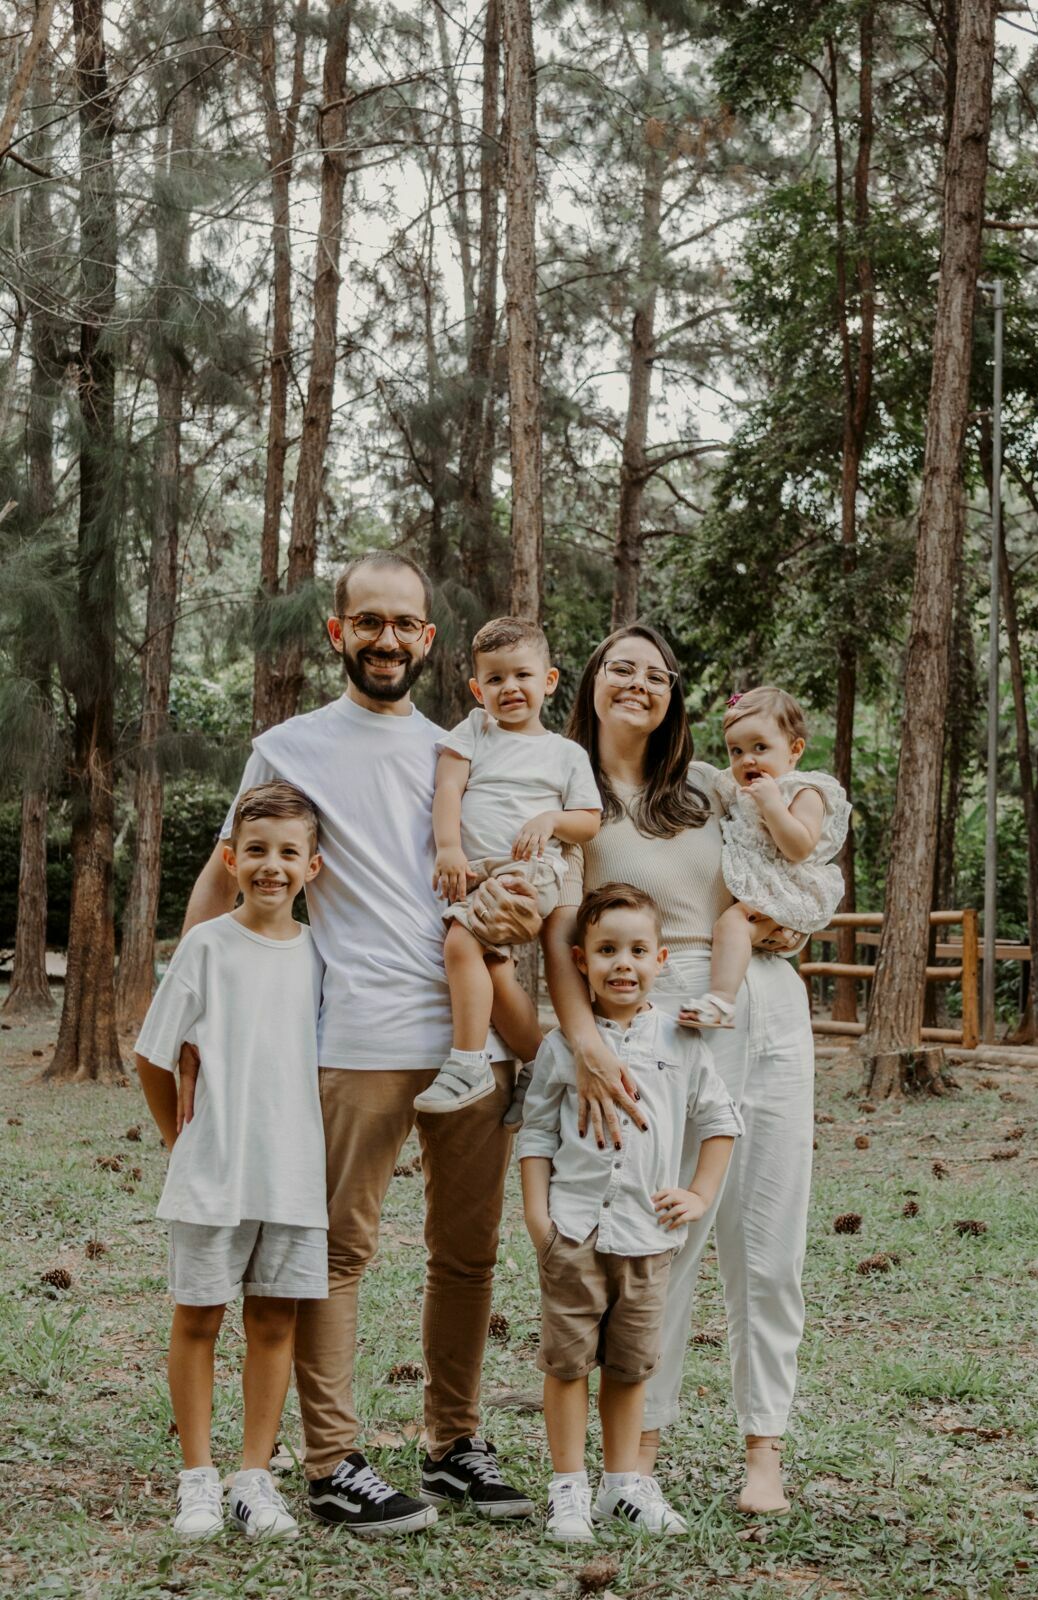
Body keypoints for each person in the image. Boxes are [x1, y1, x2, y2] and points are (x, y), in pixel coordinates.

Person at [181, 552, 540, 1536]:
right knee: (335, 1252)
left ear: (429, 639)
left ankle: (453, 1441)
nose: (386, 638)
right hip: (356, 1036)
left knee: (467, 1254)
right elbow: (224, 878)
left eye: (405, 624)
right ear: (337, 632)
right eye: (366, 621)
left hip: (469, 1041)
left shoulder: (458, 750)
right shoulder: (288, 748)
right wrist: (189, 1014)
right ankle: (334, 1461)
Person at [542, 626, 814, 1518]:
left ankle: (762, 1449)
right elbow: (556, 937)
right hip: (648, 1027)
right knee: (654, 1231)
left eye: (657, 675)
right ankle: (637, 1454)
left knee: (767, 1242)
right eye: (621, 668)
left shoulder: (706, 786)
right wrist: (581, 1038)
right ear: (590, 683)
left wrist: (790, 923)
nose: (639, 684)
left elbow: (788, 863)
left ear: (673, 698)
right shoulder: (566, 792)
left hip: (758, 1003)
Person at [518, 883, 743, 1542]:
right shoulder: (565, 1046)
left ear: (661, 959)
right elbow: (534, 1134)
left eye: (637, 950)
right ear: (581, 960)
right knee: (565, 1365)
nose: (622, 963)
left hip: (647, 1236)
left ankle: (623, 1487)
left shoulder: (680, 1039)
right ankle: (568, 1489)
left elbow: (719, 1119)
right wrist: (538, 1217)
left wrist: (698, 1192)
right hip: (575, 1228)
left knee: (629, 1365)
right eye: (607, 949)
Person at [134, 781, 327, 1542]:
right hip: (214, 1170)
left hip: (293, 1172)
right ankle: (198, 1479)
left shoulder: (321, 953)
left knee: (275, 1322)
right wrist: (179, 1142)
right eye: (256, 851)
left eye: (289, 853)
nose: (272, 866)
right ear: (230, 858)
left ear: (313, 866)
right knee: (199, 1319)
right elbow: (153, 1055)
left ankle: (253, 1476)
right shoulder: (207, 945)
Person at [417, 615, 601, 1114]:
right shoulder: (475, 731)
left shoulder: (565, 754)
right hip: (479, 872)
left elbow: (589, 821)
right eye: (495, 679)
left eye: (522, 674)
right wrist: (449, 848)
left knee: (460, 940)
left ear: (549, 680)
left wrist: (551, 820)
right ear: (478, 690)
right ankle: (540, 1064)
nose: (510, 687)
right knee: (491, 966)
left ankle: (467, 1062)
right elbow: (448, 790)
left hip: (530, 871)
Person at [683, 684, 851, 1029]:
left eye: (760, 747)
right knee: (733, 925)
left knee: (731, 924)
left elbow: (800, 846)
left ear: (794, 750)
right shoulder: (737, 790)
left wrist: (773, 805)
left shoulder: (802, 790)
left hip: (785, 887)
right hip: (756, 890)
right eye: (736, 750)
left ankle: (721, 1001)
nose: (747, 759)